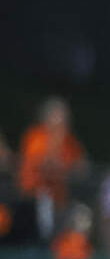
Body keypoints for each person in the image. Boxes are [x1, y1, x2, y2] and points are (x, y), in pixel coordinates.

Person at [16, 98, 89, 243]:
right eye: (59, 116)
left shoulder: (68, 140)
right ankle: (45, 243)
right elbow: (42, 164)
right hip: (34, 196)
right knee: (46, 209)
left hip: (60, 199)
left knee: (82, 214)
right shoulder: (36, 136)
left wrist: (74, 167)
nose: (63, 121)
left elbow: (82, 166)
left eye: (64, 117)